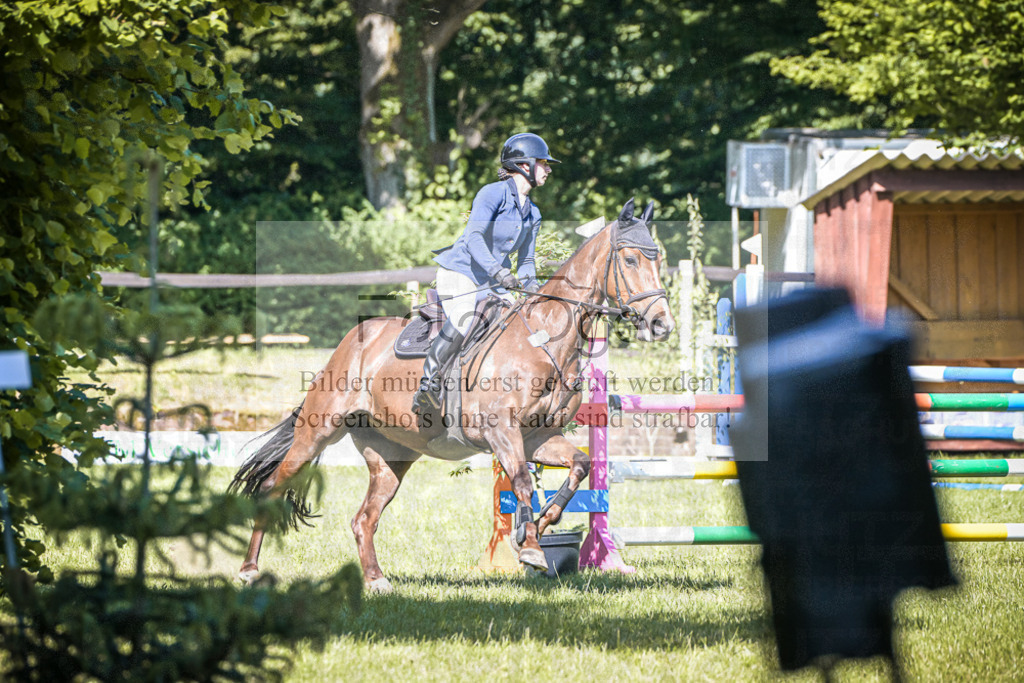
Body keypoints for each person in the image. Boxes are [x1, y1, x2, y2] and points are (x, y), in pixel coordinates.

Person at [411, 132, 559, 415]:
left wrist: (535, 294)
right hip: (461, 273)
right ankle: (427, 386)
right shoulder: (492, 194)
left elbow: (526, 260)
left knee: (518, 323)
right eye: (543, 163)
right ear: (524, 165)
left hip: (492, 282)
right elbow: (473, 238)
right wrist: (499, 272)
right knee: (465, 318)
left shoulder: (534, 214)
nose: (548, 169)